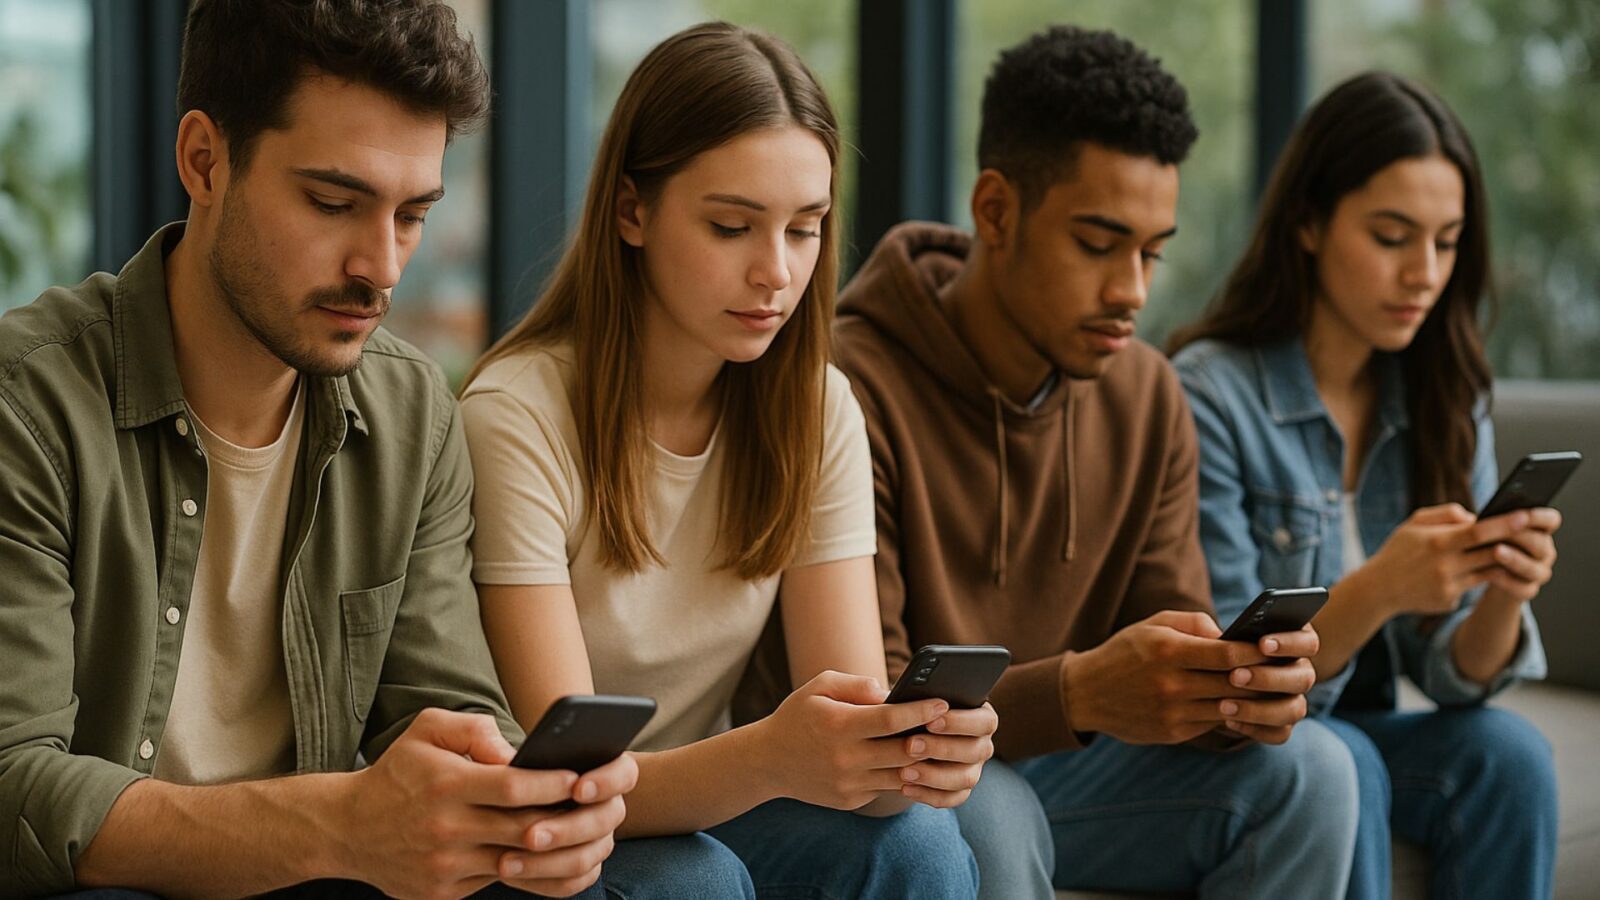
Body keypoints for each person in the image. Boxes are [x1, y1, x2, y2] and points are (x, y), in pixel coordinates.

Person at [0, 1, 634, 896]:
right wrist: (339, 825)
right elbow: (13, 788)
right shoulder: (27, 406)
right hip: (113, 887)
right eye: (335, 203)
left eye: (412, 214)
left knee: (685, 875)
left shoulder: (412, 415)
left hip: (331, 881)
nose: (383, 266)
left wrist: (513, 809)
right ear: (204, 161)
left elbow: (446, 712)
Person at [775, 24, 1361, 900]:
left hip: (1076, 770)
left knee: (1316, 769)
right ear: (995, 210)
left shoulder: (1147, 394)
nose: (1133, 290)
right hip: (908, 785)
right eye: (1098, 243)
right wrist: (1078, 694)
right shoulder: (848, 389)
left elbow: (1167, 639)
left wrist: (1231, 694)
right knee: (991, 808)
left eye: (1152, 252)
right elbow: (878, 714)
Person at [459, 22, 987, 900]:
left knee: (919, 843)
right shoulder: (516, 416)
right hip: (545, 837)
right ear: (631, 211)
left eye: (805, 229)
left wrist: (915, 755)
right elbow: (566, 781)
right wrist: (773, 756)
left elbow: (854, 736)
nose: (776, 272)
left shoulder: (816, 408)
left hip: (709, 805)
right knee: (690, 880)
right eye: (732, 226)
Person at [1170, 70, 1559, 900]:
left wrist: (1506, 589)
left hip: (1367, 726)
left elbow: (1455, 677)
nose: (1424, 272)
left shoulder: (1445, 392)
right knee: (1342, 759)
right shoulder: (1210, 394)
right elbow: (1231, 680)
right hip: (1259, 740)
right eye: (1392, 237)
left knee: (1512, 757)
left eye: (1447, 242)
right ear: (1309, 223)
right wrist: (1381, 588)